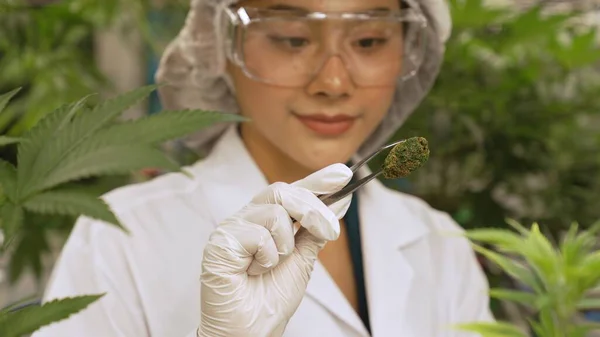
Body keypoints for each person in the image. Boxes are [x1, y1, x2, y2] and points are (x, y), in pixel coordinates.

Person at [33, 0, 495, 336]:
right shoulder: (122, 236)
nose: (333, 82)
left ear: (410, 47)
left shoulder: (440, 243)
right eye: (292, 39)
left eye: (370, 40)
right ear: (219, 49)